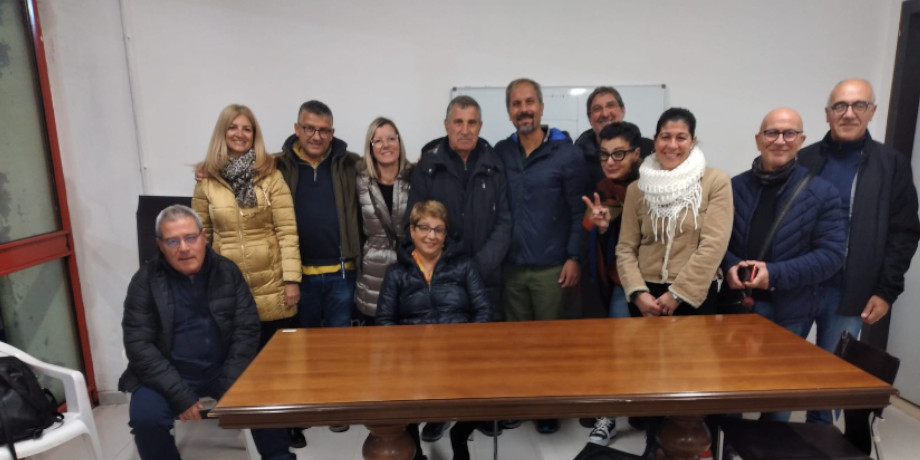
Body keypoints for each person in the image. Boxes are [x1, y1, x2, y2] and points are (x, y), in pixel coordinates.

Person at [119, 205, 293, 460]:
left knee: (266, 400)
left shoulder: (227, 271)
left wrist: (230, 380)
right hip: (167, 374)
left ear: (204, 237)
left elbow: (247, 328)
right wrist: (179, 394)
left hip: (222, 368)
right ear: (159, 244)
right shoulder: (144, 281)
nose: (184, 248)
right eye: (172, 241)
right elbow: (138, 344)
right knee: (146, 418)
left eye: (190, 237)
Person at [798, 79, 920, 424]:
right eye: (840, 106)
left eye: (859, 105)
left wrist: (886, 291)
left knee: (831, 379)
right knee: (780, 371)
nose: (849, 113)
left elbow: (904, 232)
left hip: (850, 292)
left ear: (872, 111)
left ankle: (819, 441)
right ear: (827, 114)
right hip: (797, 287)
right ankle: (769, 438)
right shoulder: (803, 160)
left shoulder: (891, 164)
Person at [615, 107, 732, 458]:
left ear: (693, 141)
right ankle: (654, 443)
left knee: (693, 378)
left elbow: (713, 246)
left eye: (681, 137)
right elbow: (625, 248)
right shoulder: (638, 188)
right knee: (651, 379)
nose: (672, 144)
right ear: (655, 140)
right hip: (646, 299)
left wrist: (678, 294)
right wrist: (638, 293)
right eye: (665, 136)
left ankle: (696, 447)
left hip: (694, 296)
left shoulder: (714, 182)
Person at [722, 107, 846, 421]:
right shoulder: (734, 187)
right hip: (738, 306)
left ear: (801, 140)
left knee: (778, 398)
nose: (780, 140)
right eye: (772, 132)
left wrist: (773, 274)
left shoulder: (823, 193)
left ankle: (770, 443)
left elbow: (831, 255)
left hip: (790, 310)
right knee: (729, 391)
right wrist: (730, 266)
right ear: (758, 139)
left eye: (789, 133)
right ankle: (731, 442)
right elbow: (715, 241)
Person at [408, 95, 511, 441]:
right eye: (458, 122)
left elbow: (505, 222)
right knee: (441, 352)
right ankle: (438, 413)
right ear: (446, 125)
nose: (465, 129)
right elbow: (417, 221)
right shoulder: (429, 164)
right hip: (442, 277)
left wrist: (476, 269)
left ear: (480, 126)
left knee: (482, 351)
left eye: (471, 123)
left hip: (486, 275)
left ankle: (479, 413)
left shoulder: (494, 163)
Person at [494, 78, 587, 435]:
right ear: (509, 111)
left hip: (553, 268)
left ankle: (548, 408)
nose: (524, 109)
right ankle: (522, 402)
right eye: (516, 104)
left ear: (542, 107)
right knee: (517, 344)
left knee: (550, 345)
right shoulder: (501, 152)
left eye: (529, 102)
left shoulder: (566, 154)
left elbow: (579, 211)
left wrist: (574, 256)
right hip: (511, 268)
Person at [377, 200, 494, 460]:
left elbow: (483, 311)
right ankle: (415, 451)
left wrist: (467, 345)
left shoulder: (464, 266)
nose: (431, 236)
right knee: (402, 401)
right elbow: (384, 321)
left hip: (460, 355)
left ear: (445, 234)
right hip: (412, 359)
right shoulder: (396, 273)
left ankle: (459, 436)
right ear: (412, 231)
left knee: (490, 391)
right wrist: (404, 353)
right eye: (424, 228)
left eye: (438, 230)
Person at [578, 121, 643, 445]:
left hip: (660, 284)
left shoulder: (655, 187)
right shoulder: (602, 190)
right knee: (615, 350)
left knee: (653, 354)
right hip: (621, 282)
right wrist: (602, 229)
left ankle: (651, 414)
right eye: (604, 155)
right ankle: (610, 417)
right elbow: (600, 243)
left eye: (619, 154)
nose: (610, 161)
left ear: (636, 154)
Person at [354, 117, 413, 324]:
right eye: (378, 141)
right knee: (376, 340)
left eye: (391, 138)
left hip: (410, 269)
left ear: (399, 142)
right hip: (373, 273)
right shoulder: (359, 182)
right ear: (370, 148)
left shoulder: (416, 177)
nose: (385, 145)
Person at [574, 86, 654, 187]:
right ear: (589, 118)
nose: (605, 114)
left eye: (610, 105)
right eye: (597, 109)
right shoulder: (577, 156)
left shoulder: (649, 149)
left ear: (623, 110)